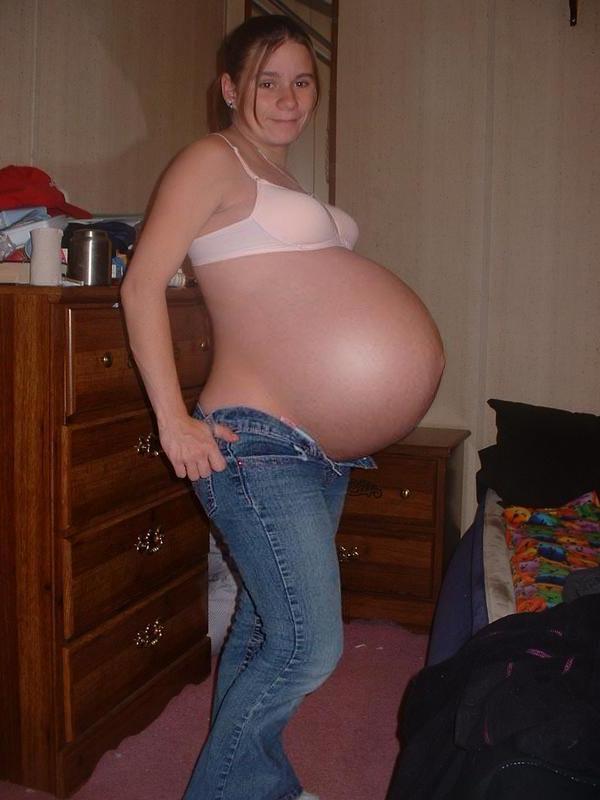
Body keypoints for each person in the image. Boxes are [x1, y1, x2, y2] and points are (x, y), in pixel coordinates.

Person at [120, 14, 445, 800]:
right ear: (231, 88)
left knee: (267, 624)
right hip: (254, 437)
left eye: (302, 82)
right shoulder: (213, 159)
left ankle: (255, 786)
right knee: (307, 646)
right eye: (268, 81)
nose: (289, 98)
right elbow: (141, 285)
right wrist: (172, 421)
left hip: (317, 446)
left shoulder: (285, 179)